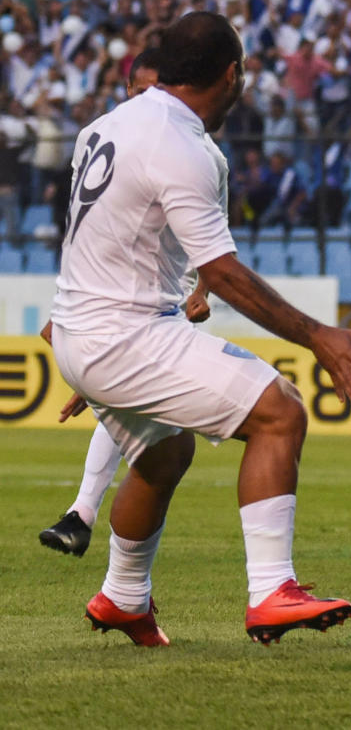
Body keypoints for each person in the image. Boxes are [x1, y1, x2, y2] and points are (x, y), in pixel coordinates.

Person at [49, 12, 351, 647]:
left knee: (165, 452)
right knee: (279, 412)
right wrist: (318, 335)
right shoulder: (183, 144)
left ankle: (122, 596)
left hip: (78, 333)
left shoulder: (104, 126)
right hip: (126, 334)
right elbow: (223, 274)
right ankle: (272, 590)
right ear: (232, 75)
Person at [37, 50, 188, 557]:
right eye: (141, 91)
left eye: (159, 92)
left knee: (165, 434)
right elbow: (84, 226)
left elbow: (207, 230)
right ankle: (100, 548)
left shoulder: (180, 141)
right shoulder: (97, 138)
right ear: (127, 90)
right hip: (120, 306)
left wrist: (203, 291)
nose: (151, 101)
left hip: (161, 300)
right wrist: (68, 307)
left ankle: (87, 526)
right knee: (166, 437)